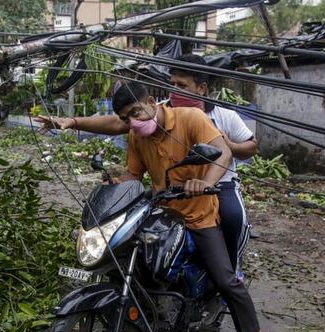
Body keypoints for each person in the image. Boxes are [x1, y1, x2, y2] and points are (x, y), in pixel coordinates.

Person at [105, 81, 277, 332]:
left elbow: (223, 152)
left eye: (134, 112)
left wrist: (205, 180)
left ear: (152, 100)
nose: (132, 122)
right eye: (125, 119)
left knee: (226, 278)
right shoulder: (137, 136)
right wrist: (114, 189)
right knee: (132, 266)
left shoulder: (191, 118)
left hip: (199, 215)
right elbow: (134, 174)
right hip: (162, 215)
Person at [35, 54, 257, 278]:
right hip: (170, 188)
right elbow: (118, 124)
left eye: (182, 85)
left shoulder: (219, 115)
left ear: (201, 88)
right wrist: (73, 122)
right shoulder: (156, 112)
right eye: (172, 85)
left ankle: (232, 266)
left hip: (216, 183)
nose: (175, 90)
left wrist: (224, 145)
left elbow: (247, 147)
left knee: (231, 217)